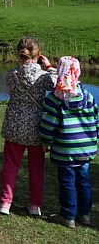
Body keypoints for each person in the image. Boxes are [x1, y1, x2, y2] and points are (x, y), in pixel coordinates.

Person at [0, 37, 57, 217]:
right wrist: (49, 66)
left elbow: (11, 89)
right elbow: (56, 84)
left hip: (14, 125)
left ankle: (5, 202)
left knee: (10, 166)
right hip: (36, 127)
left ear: (18, 54)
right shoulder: (44, 76)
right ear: (38, 55)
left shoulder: (12, 74)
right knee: (36, 168)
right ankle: (35, 205)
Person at [39, 56, 98, 229]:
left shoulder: (54, 99)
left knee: (67, 182)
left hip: (65, 150)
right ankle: (85, 214)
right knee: (84, 180)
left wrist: (45, 142)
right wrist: (94, 138)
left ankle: (68, 215)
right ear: (77, 73)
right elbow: (96, 120)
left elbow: (48, 125)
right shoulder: (87, 95)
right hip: (86, 148)